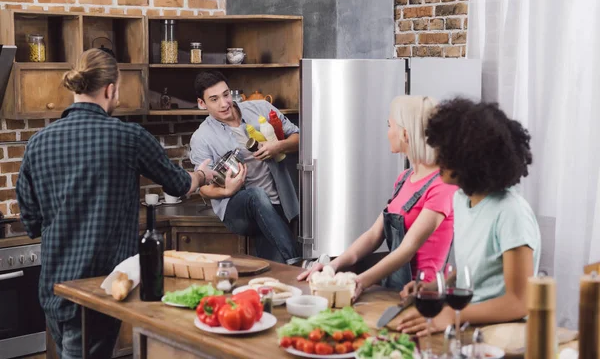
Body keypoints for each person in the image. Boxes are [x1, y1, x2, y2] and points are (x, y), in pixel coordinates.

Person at [16, 49, 214, 359]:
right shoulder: (128, 136)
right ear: (111, 89)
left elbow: (30, 222)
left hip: (55, 287)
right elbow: (179, 183)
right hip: (102, 288)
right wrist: (202, 174)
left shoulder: (38, 143)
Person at [396, 98, 541, 336]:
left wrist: (452, 315)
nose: (438, 158)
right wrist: (435, 288)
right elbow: (475, 269)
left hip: (505, 333)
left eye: (448, 153)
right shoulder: (461, 199)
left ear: (472, 158)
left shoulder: (511, 212)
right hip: (468, 324)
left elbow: (519, 301)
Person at [298, 96, 458, 297]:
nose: (387, 132)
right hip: (393, 290)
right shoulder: (404, 178)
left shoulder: (442, 186)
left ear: (405, 134)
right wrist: (332, 265)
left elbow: (407, 249)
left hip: (423, 296)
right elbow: (373, 235)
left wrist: (358, 282)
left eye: (389, 125)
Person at [189, 70, 301, 264]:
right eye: (214, 99)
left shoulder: (261, 108)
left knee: (274, 270)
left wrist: (278, 146)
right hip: (237, 210)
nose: (224, 103)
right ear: (202, 103)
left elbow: (300, 138)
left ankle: (290, 264)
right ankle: (298, 260)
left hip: (278, 202)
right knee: (256, 195)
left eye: (226, 95)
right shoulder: (202, 138)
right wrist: (226, 190)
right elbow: (204, 189)